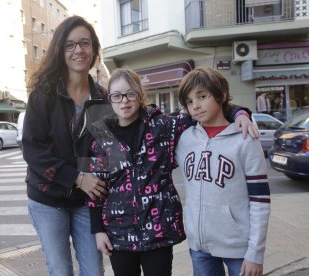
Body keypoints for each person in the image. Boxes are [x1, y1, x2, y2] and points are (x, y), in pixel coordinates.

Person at [79, 68, 257, 276]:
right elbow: (94, 191)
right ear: (110, 99)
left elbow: (206, 110)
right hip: (119, 233)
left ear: (140, 95)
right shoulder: (101, 137)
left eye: (130, 94)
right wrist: (98, 231)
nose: (124, 101)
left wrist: (240, 113)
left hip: (159, 231)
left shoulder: (164, 126)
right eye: (117, 96)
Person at [22, 15, 112, 276]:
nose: (78, 51)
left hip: (87, 201)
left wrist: (235, 113)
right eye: (70, 45)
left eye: (84, 43)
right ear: (60, 51)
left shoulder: (102, 98)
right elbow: (33, 149)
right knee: (60, 270)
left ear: (93, 49)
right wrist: (77, 177)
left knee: (94, 271)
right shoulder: (44, 93)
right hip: (48, 199)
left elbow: (104, 151)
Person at [176, 67, 271, 276]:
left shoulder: (245, 138)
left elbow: (260, 200)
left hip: (240, 249)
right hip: (199, 247)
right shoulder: (185, 140)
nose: (196, 106)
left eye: (202, 96)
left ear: (222, 95)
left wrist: (256, 252)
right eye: (190, 101)